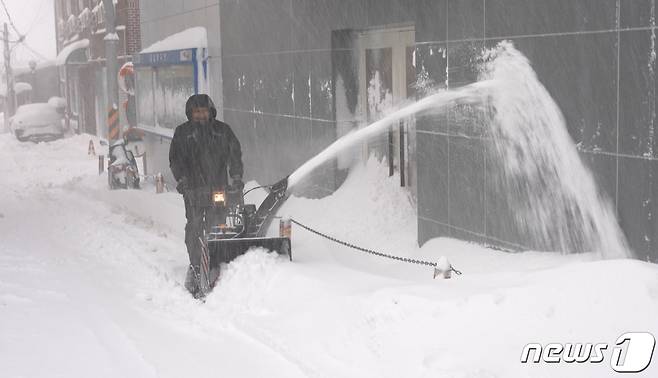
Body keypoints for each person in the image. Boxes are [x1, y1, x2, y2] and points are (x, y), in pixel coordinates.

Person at [169, 94, 244, 295]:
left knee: (217, 225)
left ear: (210, 111)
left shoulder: (222, 131)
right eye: (197, 111)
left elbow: (235, 155)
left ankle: (215, 262)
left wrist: (236, 177)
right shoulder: (182, 133)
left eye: (204, 111)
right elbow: (175, 160)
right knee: (194, 227)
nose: (201, 115)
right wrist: (182, 180)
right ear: (190, 113)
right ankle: (195, 266)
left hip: (218, 189)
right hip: (193, 190)